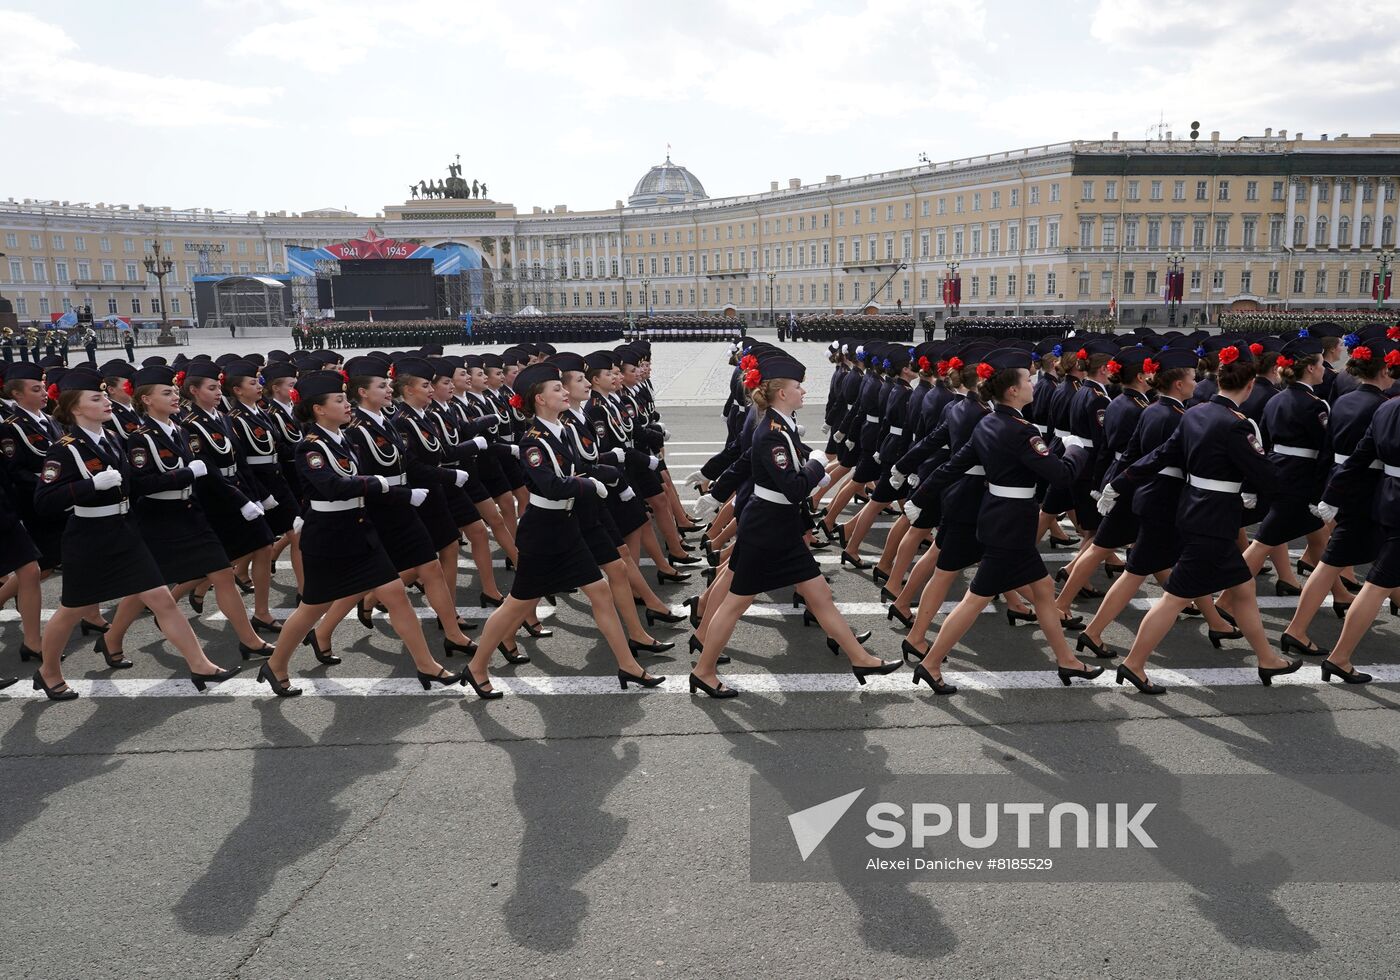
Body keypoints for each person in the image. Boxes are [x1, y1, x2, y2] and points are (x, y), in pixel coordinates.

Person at [688, 350, 901, 698]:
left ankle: (860, 658)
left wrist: (717, 490)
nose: (804, 392)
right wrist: (816, 466)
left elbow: (746, 461)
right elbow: (793, 487)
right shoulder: (772, 430)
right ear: (782, 393)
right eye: (798, 387)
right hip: (768, 529)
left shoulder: (779, 425)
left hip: (776, 525)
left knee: (819, 595)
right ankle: (704, 670)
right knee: (736, 603)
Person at [1098, 343, 1303, 694]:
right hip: (1214, 519)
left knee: (1243, 587)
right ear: (1250, 385)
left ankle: (1268, 658)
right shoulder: (1236, 425)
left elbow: (1162, 455)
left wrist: (1120, 480)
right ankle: (1133, 664)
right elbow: (1265, 474)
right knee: (1174, 598)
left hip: (1196, 510)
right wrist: (1295, 497)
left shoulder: (1195, 413)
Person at [461, 361, 667, 699]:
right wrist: (590, 485)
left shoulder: (563, 430)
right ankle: (477, 666)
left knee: (600, 590)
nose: (563, 392)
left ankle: (628, 664)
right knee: (516, 604)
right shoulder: (533, 442)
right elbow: (553, 486)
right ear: (539, 399)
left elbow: (581, 466)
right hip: (543, 534)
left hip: (566, 527)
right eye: (556, 389)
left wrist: (611, 472)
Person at [30, 369, 239, 700]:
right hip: (89, 537)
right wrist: (88, 486)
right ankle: (48, 671)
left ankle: (201, 665)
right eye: (96, 398)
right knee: (71, 609)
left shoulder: (111, 439)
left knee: (162, 601)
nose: (106, 402)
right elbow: (43, 501)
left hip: (125, 532)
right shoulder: (65, 450)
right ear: (75, 408)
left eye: (105, 396)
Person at [257, 370, 464, 696]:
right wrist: (376, 484)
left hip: (359, 531)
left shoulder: (345, 439)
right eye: (338, 400)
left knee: (396, 595)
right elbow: (331, 485)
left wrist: (392, 491)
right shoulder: (310, 447)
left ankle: (426, 665)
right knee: (311, 608)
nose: (346, 404)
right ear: (319, 409)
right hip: (327, 538)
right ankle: (276, 664)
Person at [909, 350, 1103, 695]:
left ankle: (1067, 660)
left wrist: (920, 497)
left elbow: (952, 466)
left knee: (1043, 591)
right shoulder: (1020, 430)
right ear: (1012, 391)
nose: (1032, 385)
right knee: (976, 598)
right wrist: (1075, 449)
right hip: (1010, 525)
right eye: (1027, 380)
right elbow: (1060, 475)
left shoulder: (989, 422)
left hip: (998, 517)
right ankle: (931, 662)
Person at [100, 365, 277, 664]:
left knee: (222, 573)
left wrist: (242, 498)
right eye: (166, 393)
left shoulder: (180, 430)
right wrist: (184, 475)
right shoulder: (140, 438)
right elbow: (140, 484)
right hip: (159, 519)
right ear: (146, 399)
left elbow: (209, 472)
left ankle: (249, 640)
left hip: (190, 513)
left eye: (173, 391)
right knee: (145, 586)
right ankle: (112, 638)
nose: (173, 397)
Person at [178, 361, 281, 631]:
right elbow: (209, 472)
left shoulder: (222, 417)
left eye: (217, 388)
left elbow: (240, 461)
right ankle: (171, 599)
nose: (217, 393)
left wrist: (257, 495)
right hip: (215, 497)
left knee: (263, 545)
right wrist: (241, 501)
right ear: (194, 391)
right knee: (218, 560)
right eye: (211, 388)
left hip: (237, 488)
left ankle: (261, 612)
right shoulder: (190, 425)